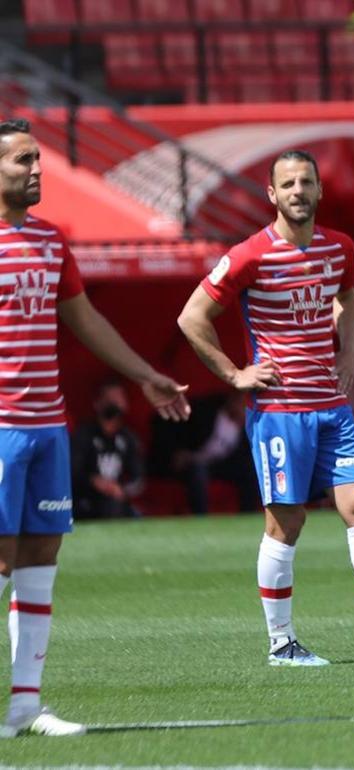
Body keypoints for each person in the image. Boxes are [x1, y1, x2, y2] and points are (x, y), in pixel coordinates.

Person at [177, 149, 354, 667]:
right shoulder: (249, 255)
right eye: (288, 184)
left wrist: (348, 351)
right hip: (279, 411)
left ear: (319, 191)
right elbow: (192, 318)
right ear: (272, 195)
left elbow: (348, 296)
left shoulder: (339, 248)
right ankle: (281, 644)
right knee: (286, 522)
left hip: (331, 407)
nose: (298, 191)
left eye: (307, 182)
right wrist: (235, 375)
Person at [0, 118, 191, 739]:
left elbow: (87, 321)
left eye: (37, 159)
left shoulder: (53, 242)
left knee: (40, 559)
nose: (36, 170)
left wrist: (144, 375)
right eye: (22, 160)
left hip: (48, 426)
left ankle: (25, 706)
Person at [163, 391, 260, 515]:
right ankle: (200, 516)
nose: (244, 408)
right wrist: (177, 453)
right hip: (194, 460)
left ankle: (248, 514)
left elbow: (244, 455)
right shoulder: (205, 412)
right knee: (198, 470)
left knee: (248, 470)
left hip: (221, 463)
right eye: (241, 403)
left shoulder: (246, 426)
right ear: (232, 400)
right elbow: (175, 432)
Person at [70, 381, 146, 520]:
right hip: (86, 502)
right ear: (97, 403)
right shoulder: (84, 435)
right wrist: (94, 481)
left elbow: (139, 478)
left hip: (118, 502)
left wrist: (120, 490)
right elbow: (72, 472)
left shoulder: (128, 438)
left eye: (118, 398)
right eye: (109, 398)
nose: (114, 403)